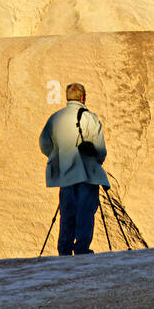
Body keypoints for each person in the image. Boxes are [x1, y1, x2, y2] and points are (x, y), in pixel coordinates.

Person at [40, 83, 110, 255]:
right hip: (86, 173)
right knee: (85, 211)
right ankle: (81, 249)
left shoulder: (55, 118)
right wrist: (96, 163)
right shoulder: (90, 118)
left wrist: (58, 156)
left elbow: (44, 144)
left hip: (65, 173)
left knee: (67, 212)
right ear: (82, 98)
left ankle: (64, 250)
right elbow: (100, 149)